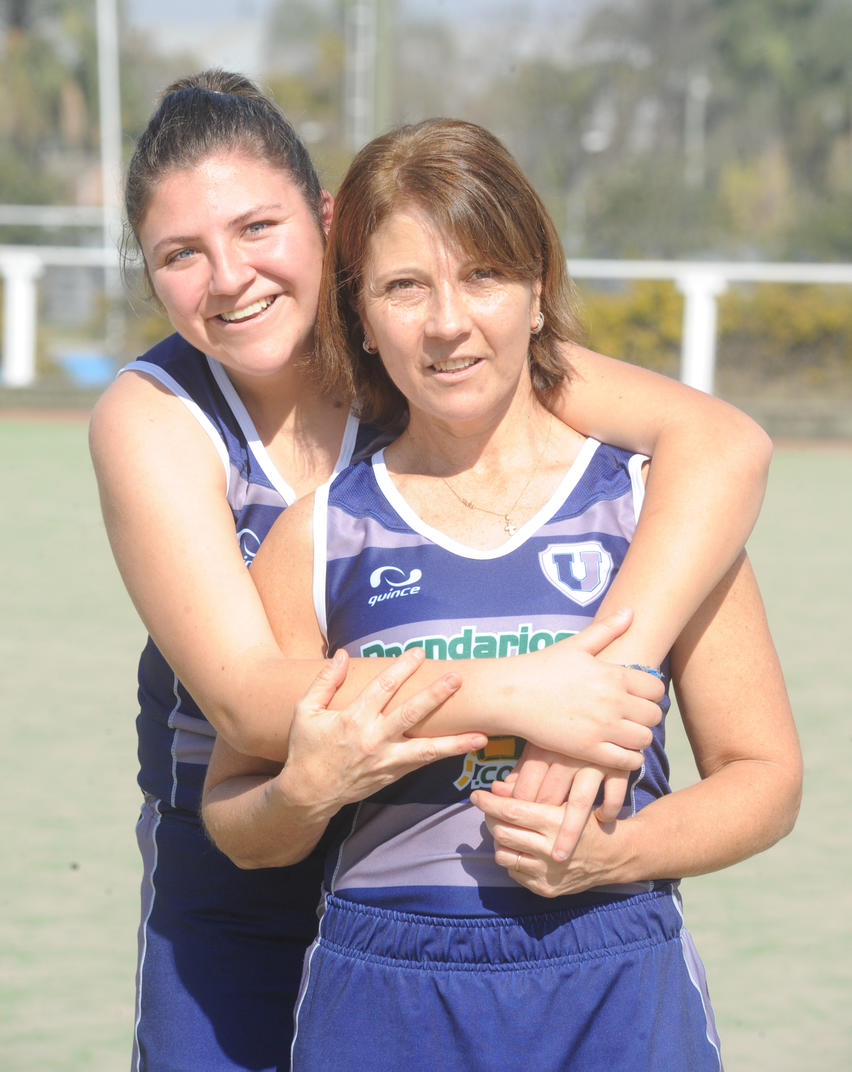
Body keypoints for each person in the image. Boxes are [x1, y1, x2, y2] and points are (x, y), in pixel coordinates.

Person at [90, 70, 773, 1072]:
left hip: (442, 863)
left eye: (258, 228)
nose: (229, 277)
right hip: (243, 856)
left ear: (327, 224)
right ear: (149, 276)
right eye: (180, 256)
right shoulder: (154, 418)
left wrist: (610, 675)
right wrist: (526, 694)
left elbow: (720, 444)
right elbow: (246, 701)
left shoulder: (438, 349)